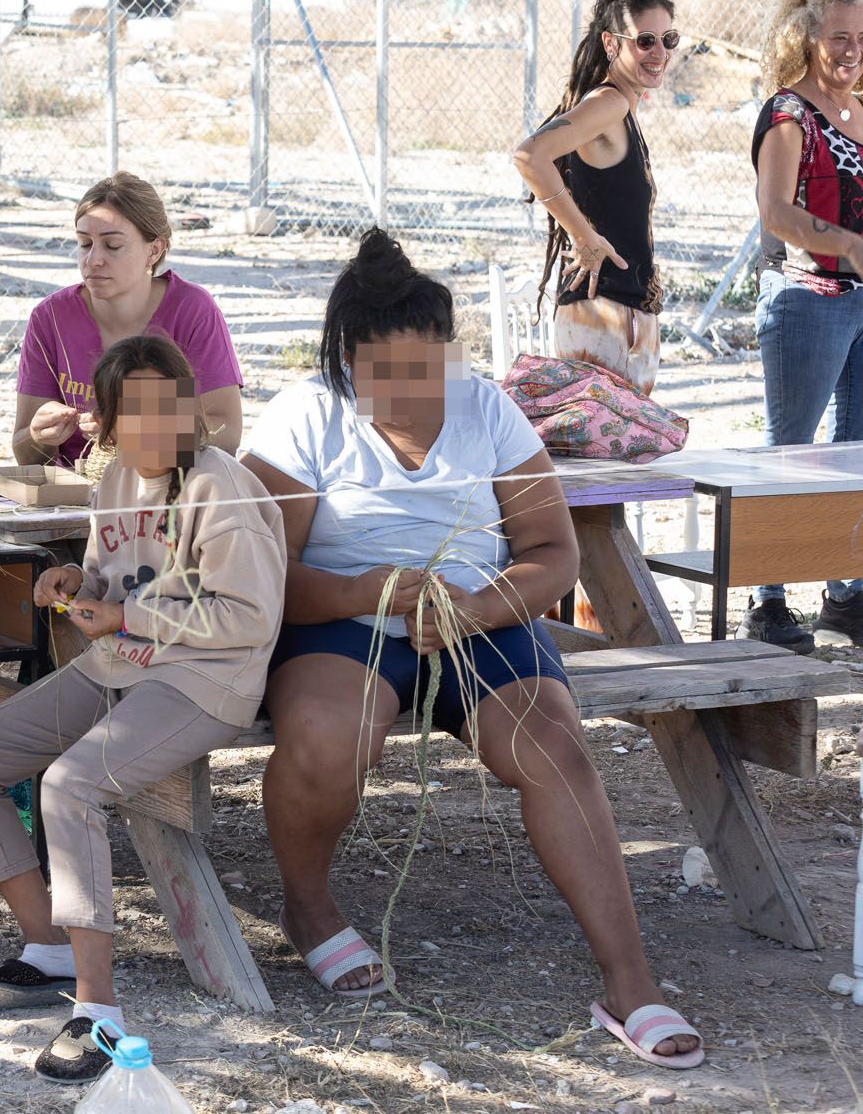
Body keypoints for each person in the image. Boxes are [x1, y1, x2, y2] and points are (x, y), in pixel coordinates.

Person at [239, 229, 703, 1070]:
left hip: (478, 618)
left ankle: (630, 981)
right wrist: (370, 589)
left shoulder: (487, 407)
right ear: (349, 362)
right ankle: (308, 909)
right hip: (344, 616)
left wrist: (481, 605)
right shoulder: (307, 413)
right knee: (327, 738)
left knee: (557, 751)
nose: (412, 393)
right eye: (387, 375)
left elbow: (552, 553)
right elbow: (263, 569)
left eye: (428, 369)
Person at [0, 335, 284, 1085]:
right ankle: (48, 948)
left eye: (170, 410)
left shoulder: (220, 486)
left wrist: (128, 620)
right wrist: (73, 583)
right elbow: (109, 582)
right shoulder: (117, 480)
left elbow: (250, 619)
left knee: (70, 784)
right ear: (109, 423)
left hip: (206, 680)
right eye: (136, 415)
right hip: (122, 664)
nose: (156, 429)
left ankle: (99, 1009)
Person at [742, 0, 863, 651]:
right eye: (840, 37)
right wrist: (845, 245)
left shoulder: (859, 110)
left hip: (860, 302)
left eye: (862, 39)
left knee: (856, 452)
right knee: (791, 452)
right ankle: (768, 601)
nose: (852, 51)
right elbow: (777, 213)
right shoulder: (789, 113)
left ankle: (845, 594)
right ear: (809, 38)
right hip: (806, 298)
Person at [13, 171, 243, 467]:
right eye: (84, 243)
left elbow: (226, 434)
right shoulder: (51, 317)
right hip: (75, 493)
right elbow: (25, 454)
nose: (93, 259)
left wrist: (137, 434)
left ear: (154, 250)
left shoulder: (191, 310)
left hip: (170, 490)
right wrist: (37, 436)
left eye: (113, 245)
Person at [512, 0, 676, 394]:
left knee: (619, 456)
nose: (659, 53)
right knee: (611, 458)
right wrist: (583, 236)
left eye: (668, 39)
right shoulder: (610, 103)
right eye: (644, 41)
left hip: (616, 310)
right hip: (604, 310)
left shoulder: (617, 105)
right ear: (611, 43)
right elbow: (529, 156)